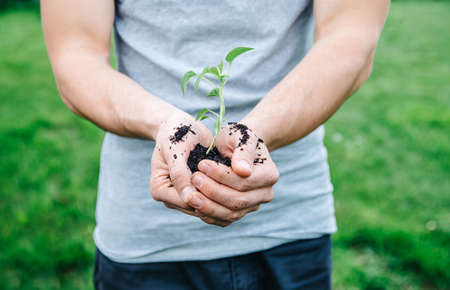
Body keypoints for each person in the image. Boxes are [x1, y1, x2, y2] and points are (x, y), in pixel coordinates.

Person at [41, 0, 389, 289]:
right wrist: (164, 124)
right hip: (146, 237)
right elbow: (75, 55)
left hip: (288, 225)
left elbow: (351, 38)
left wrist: (255, 136)